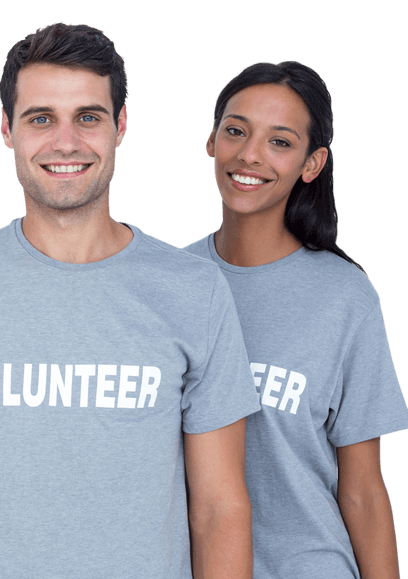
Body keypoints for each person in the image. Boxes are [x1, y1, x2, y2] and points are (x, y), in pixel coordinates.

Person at [0, 22, 262, 578]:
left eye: (88, 117)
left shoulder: (193, 291)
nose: (65, 142)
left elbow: (219, 507)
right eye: (40, 118)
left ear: (120, 125)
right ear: (7, 129)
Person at [185, 61, 408, 579]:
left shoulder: (346, 297)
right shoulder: (171, 285)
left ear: (312, 163)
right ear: (212, 141)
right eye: (235, 131)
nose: (250, 155)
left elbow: (363, 489)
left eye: (280, 142)